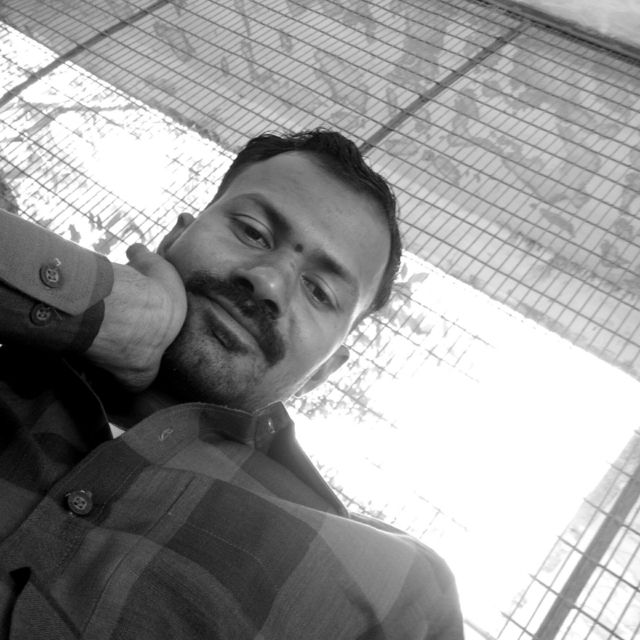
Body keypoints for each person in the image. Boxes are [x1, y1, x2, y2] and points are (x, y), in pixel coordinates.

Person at [0, 129, 464, 639]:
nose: (268, 283)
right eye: (252, 232)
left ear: (325, 371)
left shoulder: (393, 587)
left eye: (318, 291)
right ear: (173, 238)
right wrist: (111, 312)